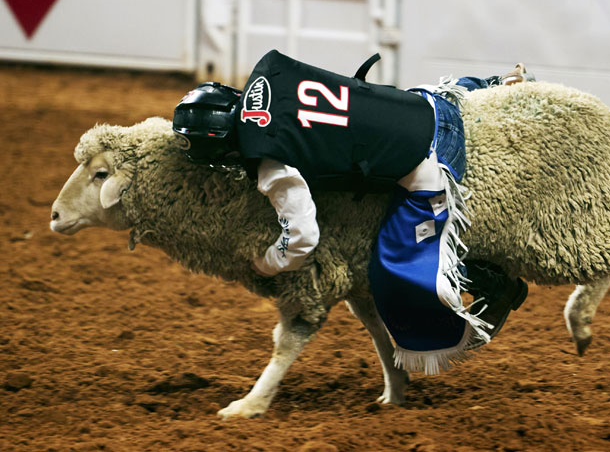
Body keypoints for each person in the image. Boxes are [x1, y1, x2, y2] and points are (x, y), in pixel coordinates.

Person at [172, 50, 528, 371]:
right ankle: (492, 85)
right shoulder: (270, 73)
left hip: (434, 153)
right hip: (431, 102)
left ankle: (495, 286)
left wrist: (265, 262)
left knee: (396, 268)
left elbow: (302, 238)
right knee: (394, 101)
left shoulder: (269, 164)